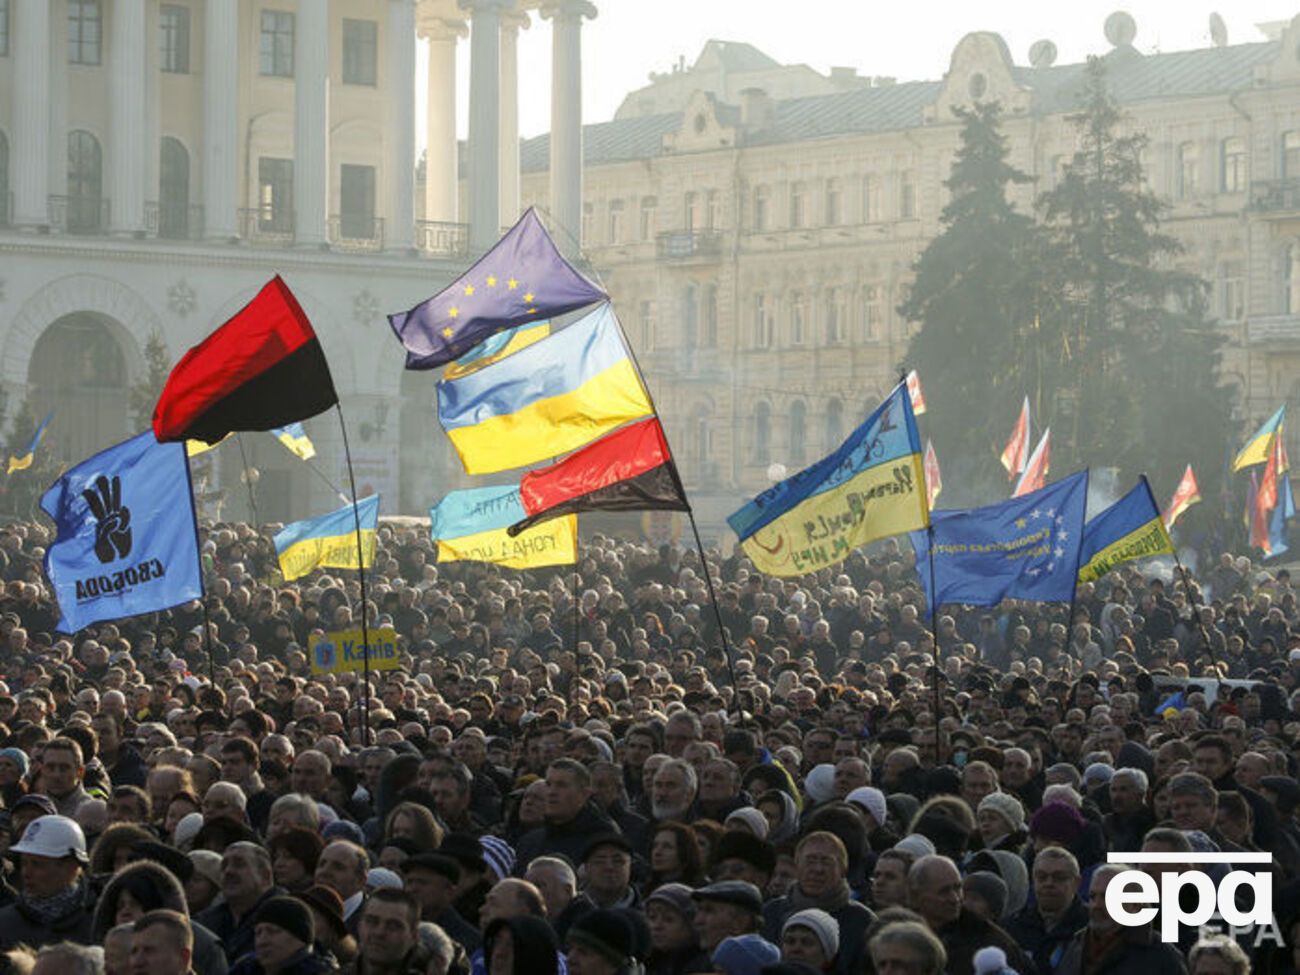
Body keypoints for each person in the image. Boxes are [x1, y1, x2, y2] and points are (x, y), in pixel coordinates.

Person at [1054, 864, 1187, 975]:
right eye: (1093, 896)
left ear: (1134, 904)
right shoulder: (1075, 946)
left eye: (1108, 897)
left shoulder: (1161, 956)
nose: (1097, 905)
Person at [0, 814, 95, 949]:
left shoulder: (99, 921)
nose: (26, 872)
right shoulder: (5, 924)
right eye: (24, 863)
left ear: (71, 867)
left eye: (37, 864)